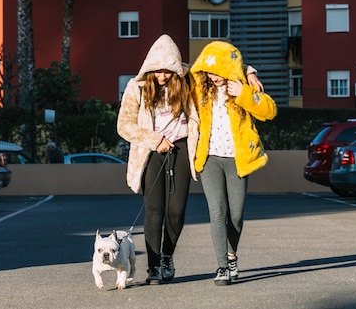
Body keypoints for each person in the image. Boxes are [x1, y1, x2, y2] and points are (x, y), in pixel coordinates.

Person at [189, 40, 277, 286]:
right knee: (217, 212)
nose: (215, 76)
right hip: (209, 159)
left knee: (236, 216)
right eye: (211, 71)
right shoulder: (198, 87)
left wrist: (246, 89)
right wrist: (249, 68)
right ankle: (221, 266)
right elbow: (182, 67)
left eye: (219, 71)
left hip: (237, 159)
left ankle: (231, 256)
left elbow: (269, 111)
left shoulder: (240, 88)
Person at [117, 34, 200, 285]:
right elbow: (124, 125)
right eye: (157, 70)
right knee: (154, 210)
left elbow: (218, 67)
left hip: (182, 148)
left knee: (176, 211)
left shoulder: (189, 81)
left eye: (167, 71)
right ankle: (153, 267)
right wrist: (154, 140)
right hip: (151, 150)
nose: (162, 76)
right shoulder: (137, 87)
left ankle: (167, 257)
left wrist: (250, 72)